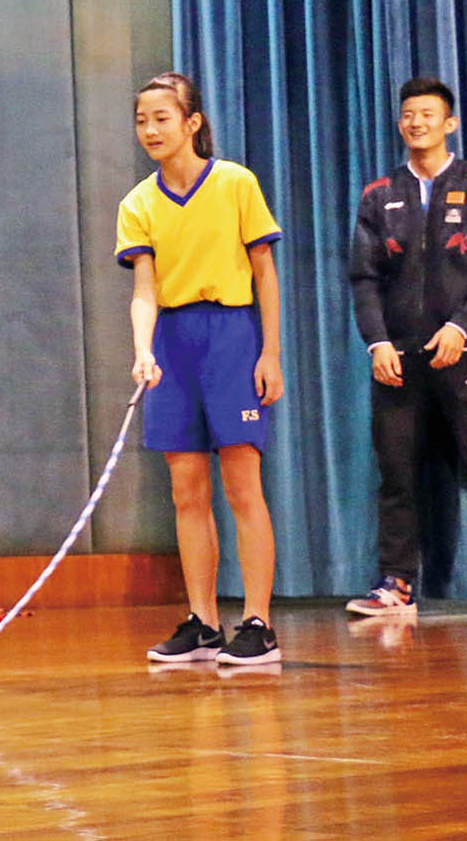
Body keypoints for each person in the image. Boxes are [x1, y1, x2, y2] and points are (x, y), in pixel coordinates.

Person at [118, 73, 284, 666]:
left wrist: (270, 352)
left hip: (232, 335)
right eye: (142, 120)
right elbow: (145, 289)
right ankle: (204, 621)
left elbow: (264, 270)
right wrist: (144, 349)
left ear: (191, 124)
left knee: (242, 485)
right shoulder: (138, 203)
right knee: (186, 489)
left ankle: (259, 624)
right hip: (173, 340)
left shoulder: (235, 183)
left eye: (162, 118)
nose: (150, 130)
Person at [345, 77, 467, 619]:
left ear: (450, 123)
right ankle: (396, 584)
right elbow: (364, 278)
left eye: (427, 114)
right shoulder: (378, 194)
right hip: (399, 357)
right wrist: (377, 342)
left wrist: (462, 327)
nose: (416, 123)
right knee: (396, 472)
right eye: (408, 115)